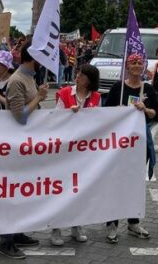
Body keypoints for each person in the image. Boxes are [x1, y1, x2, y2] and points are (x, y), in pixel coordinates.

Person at [0, 41, 46, 258]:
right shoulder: (17, 80)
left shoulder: (29, 77)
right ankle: (6, 241)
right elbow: (19, 116)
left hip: (27, 145)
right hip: (16, 146)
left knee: (22, 192)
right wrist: (39, 98)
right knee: (12, 194)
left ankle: (16, 232)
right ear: (33, 57)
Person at [105, 54, 156, 243]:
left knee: (135, 183)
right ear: (127, 66)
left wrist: (146, 109)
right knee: (116, 183)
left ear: (143, 67)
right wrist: (117, 110)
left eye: (139, 63)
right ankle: (112, 223)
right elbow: (105, 112)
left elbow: (155, 115)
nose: (136, 65)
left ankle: (134, 222)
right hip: (118, 145)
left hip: (139, 145)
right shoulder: (118, 88)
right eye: (133, 62)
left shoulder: (148, 89)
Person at [49, 65, 100, 246]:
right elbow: (54, 117)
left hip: (84, 150)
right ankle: (56, 227)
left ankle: (76, 225)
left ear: (91, 80)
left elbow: (99, 121)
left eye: (83, 75)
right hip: (64, 149)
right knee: (61, 188)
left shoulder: (96, 96)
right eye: (79, 73)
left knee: (79, 189)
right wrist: (67, 114)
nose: (78, 76)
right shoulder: (64, 93)